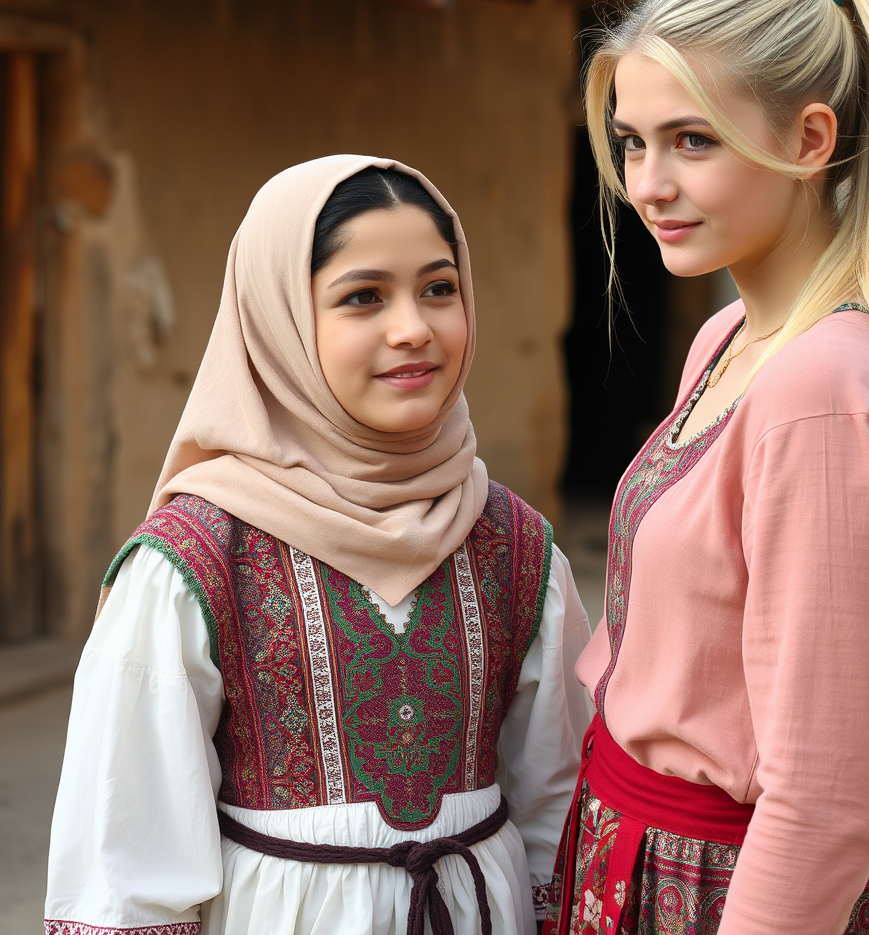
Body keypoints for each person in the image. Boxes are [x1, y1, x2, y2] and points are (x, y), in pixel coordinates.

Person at [544, 0, 869, 935]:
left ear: (809, 137)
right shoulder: (728, 340)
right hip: (630, 857)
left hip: (725, 894)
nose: (649, 184)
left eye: (691, 141)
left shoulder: (823, 391)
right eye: (630, 143)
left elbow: (821, 807)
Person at [45, 155, 593, 935]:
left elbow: (556, 807)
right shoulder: (191, 560)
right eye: (363, 297)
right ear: (280, 323)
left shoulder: (515, 545)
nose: (414, 328)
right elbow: (126, 858)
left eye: (440, 288)